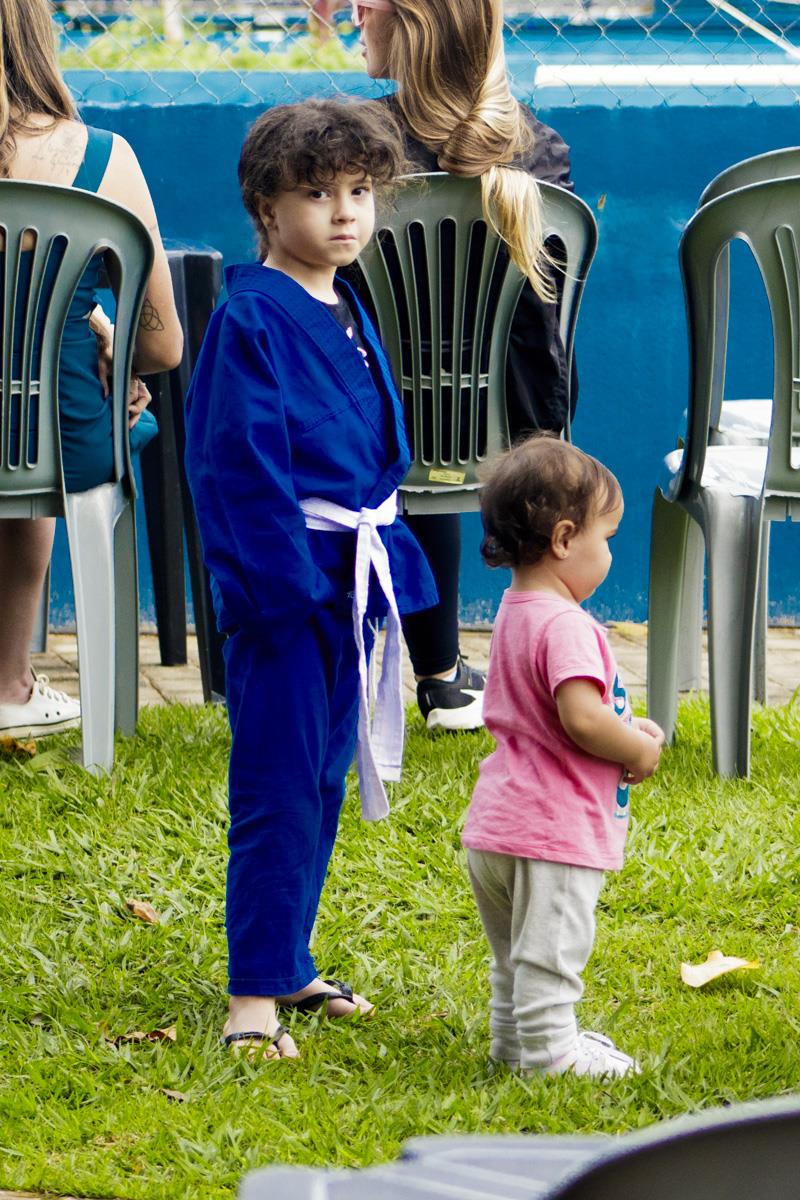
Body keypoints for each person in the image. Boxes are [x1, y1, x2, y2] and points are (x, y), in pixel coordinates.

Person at [184, 98, 437, 1060]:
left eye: (361, 192)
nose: (344, 213)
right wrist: (280, 595)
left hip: (349, 579)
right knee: (278, 782)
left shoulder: (346, 303)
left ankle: (287, 961)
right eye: (318, 193)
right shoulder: (250, 317)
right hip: (289, 586)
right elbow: (237, 469)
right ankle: (251, 996)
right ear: (266, 205)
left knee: (323, 776)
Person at [350, 0, 577, 733]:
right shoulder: (540, 152)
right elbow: (543, 335)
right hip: (504, 428)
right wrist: (546, 435)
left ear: (416, 20)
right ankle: (461, 677)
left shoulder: (353, 148)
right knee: (433, 426)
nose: (353, 12)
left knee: (403, 415)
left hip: (367, 428)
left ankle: (427, 673)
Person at [0, 0, 183, 741]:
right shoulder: (103, 158)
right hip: (58, 439)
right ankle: (9, 685)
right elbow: (163, 347)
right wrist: (105, 331)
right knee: (33, 418)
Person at [462, 435, 664, 1077]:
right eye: (608, 537)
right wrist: (637, 748)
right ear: (565, 539)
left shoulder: (515, 611)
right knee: (549, 957)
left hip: (497, 827)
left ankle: (512, 1045)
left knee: (512, 958)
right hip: (552, 831)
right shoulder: (568, 623)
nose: (610, 554)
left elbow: (549, 710)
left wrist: (625, 723)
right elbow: (581, 718)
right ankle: (551, 1056)